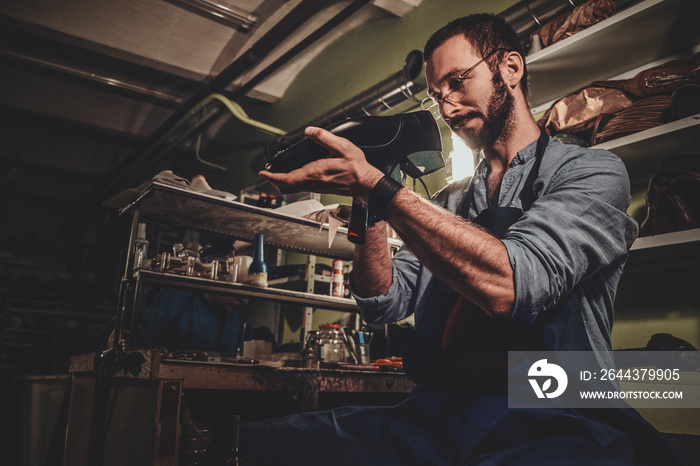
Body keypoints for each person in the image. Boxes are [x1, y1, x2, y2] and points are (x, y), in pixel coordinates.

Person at [204, 14, 683, 465]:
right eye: (436, 95)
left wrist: (380, 188)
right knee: (241, 445)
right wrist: (368, 196)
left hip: (552, 407)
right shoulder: (449, 202)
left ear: (509, 68)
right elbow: (382, 301)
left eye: (458, 81)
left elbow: (514, 285)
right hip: (439, 410)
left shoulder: (589, 171)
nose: (447, 105)